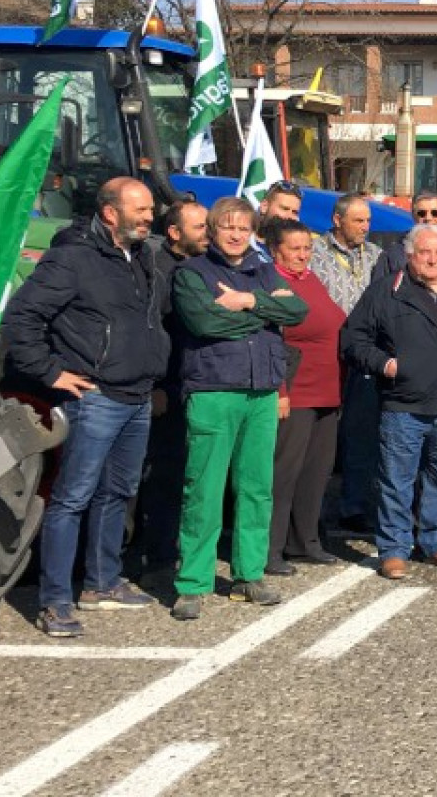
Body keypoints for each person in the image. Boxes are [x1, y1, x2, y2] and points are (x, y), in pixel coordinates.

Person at [2, 177, 170, 637]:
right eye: (140, 209)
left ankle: (102, 583)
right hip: (94, 398)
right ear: (110, 211)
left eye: (151, 209)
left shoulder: (142, 257)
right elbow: (22, 317)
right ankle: (56, 600)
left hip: (135, 397)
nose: (149, 216)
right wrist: (50, 372)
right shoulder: (72, 257)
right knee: (72, 498)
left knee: (117, 493)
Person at [170, 197, 309, 619]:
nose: (236, 234)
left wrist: (248, 302)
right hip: (214, 389)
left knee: (256, 488)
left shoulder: (263, 270)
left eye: (243, 227)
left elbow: (297, 309)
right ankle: (193, 582)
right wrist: (267, 310)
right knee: (204, 489)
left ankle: (249, 574)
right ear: (213, 230)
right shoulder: (191, 273)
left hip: (261, 391)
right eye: (227, 226)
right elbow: (205, 323)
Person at [342, 223, 437, 579]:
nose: (433, 259)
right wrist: (386, 365)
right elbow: (353, 339)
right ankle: (394, 549)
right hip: (403, 407)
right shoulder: (386, 292)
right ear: (410, 256)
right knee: (396, 480)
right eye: (425, 252)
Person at [131, 196, 207, 585]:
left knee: (186, 476)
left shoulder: (202, 267)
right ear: (174, 233)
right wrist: (159, 385)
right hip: (167, 387)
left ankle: (176, 548)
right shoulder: (158, 271)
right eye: (200, 228)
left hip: (197, 384)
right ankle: (154, 559)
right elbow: (155, 332)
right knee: (161, 476)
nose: (207, 234)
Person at [264, 218, 345, 574]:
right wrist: (280, 390)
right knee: (284, 472)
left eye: (307, 248)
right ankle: (270, 548)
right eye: (294, 248)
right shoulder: (271, 282)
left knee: (316, 470)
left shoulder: (311, 279)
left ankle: (305, 540)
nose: (302, 255)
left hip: (327, 389)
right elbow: (270, 341)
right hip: (295, 390)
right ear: (275, 250)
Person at [310, 194, 383, 535]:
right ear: (337, 220)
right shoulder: (314, 253)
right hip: (324, 356)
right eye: (358, 221)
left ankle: (354, 506)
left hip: (363, 357)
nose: (365, 227)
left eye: (367, 221)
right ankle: (313, 512)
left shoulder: (377, 256)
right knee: (320, 439)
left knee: (360, 434)